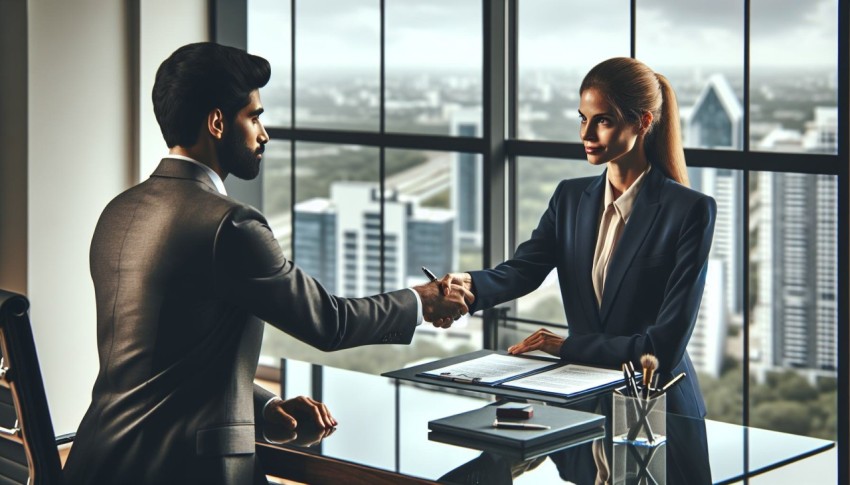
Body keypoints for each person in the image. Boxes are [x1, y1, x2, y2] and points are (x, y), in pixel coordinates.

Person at [62, 42, 471, 485]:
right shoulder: (229, 225)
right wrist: (422, 300)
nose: (264, 133)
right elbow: (328, 322)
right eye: (254, 116)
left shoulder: (118, 211)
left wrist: (265, 408)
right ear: (218, 122)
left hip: (93, 463)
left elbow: (159, 365)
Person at [440, 57, 716, 419]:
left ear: (643, 122)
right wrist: (468, 285)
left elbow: (662, 348)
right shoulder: (569, 198)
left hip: (658, 409)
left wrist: (567, 346)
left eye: (603, 120)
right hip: (582, 404)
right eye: (583, 119)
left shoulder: (689, 210)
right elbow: (524, 270)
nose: (586, 134)